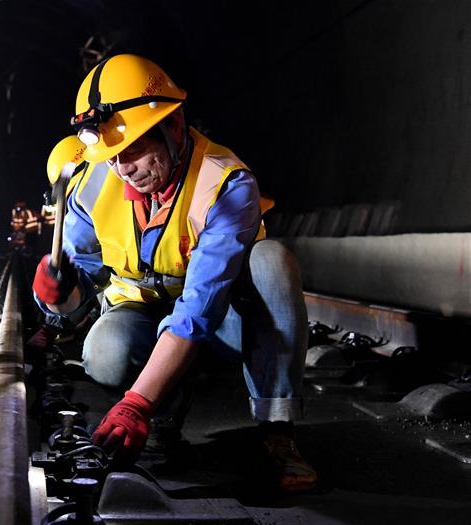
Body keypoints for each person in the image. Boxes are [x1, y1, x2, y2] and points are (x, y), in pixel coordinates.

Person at [33, 54, 316, 491]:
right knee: (104, 350)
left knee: (272, 262)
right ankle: (166, 421)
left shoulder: (225, 183)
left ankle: (277, 433)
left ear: (176, 127)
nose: (123, 168)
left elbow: (199, 308)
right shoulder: (92, 182)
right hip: (143, 315)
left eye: (134, 149)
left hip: (224, 321)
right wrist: (58, 291)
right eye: (111, 155)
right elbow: (76, 295)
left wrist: (136, 404)